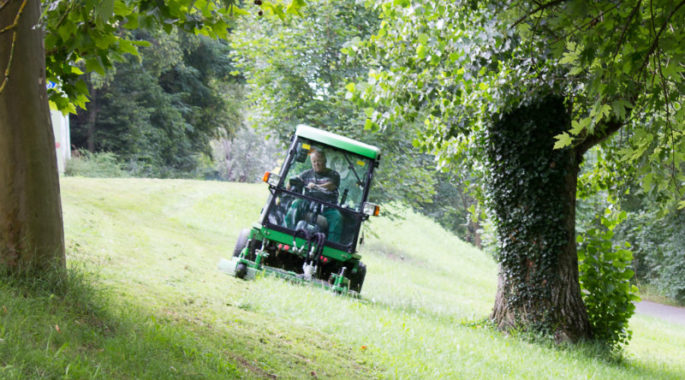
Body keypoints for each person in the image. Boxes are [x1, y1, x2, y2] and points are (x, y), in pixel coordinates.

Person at [285, 149, 343, 242]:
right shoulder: (306, 173)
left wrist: (316, 186)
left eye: (319, 161)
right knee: (296, 204)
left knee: (337, 217)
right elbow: (293, 182)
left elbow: (330, 186)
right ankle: (287, 234)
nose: (316, 164)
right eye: (314, 161)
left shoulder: (334, 174)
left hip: (328, 206)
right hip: (308, 204)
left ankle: (331, 246)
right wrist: (291, 182)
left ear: (324, 161)